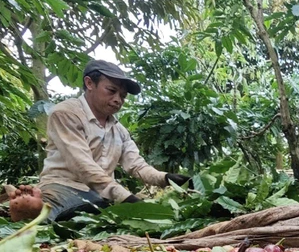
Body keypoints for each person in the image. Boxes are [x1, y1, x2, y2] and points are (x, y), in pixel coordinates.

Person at [20, 60, 192, 222]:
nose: (118, 99)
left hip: (100, 196)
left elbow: (137, 166)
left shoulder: (119, 131)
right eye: (111, 91)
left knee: (105, 211)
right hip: (64, 187)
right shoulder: (66, 114)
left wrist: (167, 178)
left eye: (123, 96)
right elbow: (83, 166)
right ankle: (34, 211)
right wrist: (125, 197)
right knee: (54, 212)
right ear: (89, 83)